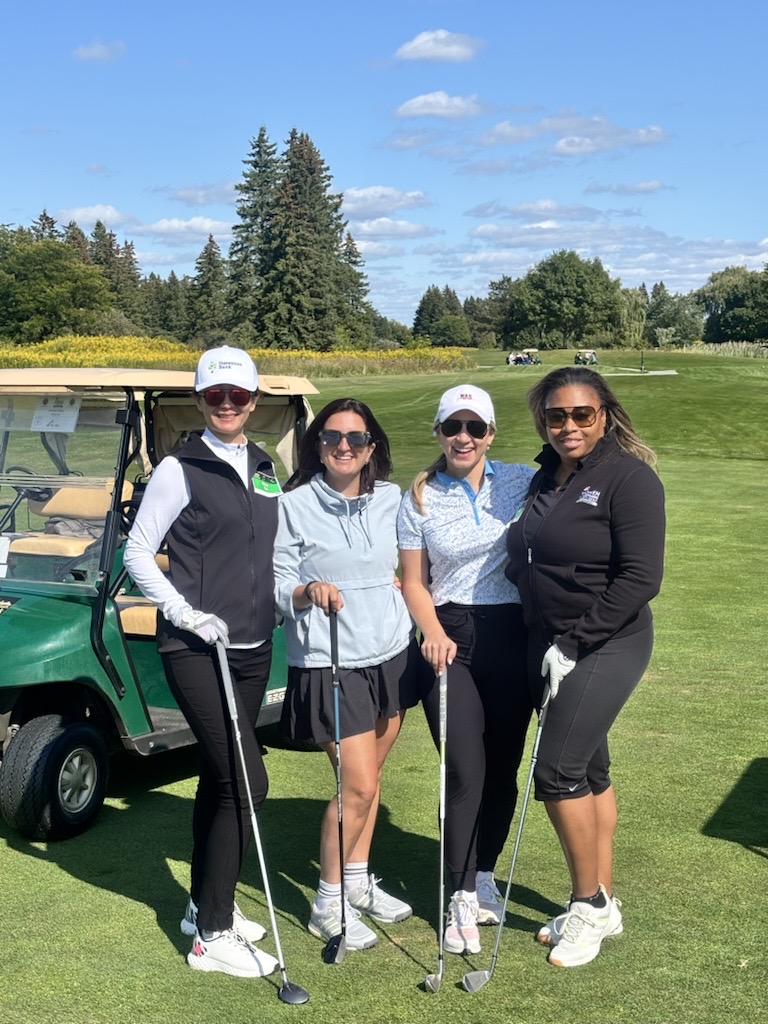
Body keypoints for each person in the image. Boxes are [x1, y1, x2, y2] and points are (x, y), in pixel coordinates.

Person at [124, 346, 280, 979]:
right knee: (247, 782)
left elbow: (270, 545)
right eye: (214, 395)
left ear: (252, 400)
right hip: (195, 648)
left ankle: (200, 904)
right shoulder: (178, 467)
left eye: (237, 396)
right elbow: (138, 552)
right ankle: (211, 935)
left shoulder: (264, 465)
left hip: (251, 649)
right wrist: (184, 613)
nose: (226, 405)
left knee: (221, 778)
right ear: (200, 399)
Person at [505, 366, 665, 968]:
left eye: (581, 415)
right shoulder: (544, 477)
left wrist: (575, 643)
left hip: (607, 642)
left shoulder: (630, 477)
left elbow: (641, 578)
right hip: (545, 638)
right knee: (591, 767)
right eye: (555, 416)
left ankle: (588, 904)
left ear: (604, 416)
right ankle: (604, 902)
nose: (568, 426)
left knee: (558, 771)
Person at [273, 397, 420, 951]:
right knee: (354, 783)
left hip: (390, 655)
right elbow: (274, 582)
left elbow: (410, 562)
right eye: (332, 436)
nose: (343, 446)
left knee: (370, 781)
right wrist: (305, 591)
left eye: (356, 439)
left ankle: (357, 882)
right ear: (316, 444)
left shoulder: (392, 498)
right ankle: (327, 902)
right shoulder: (293, 504)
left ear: (371, 448)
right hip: (329, 661)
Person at [397, 384, 536, 956]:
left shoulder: (523, 481)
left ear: (490, 435)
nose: (463, 437)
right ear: (439, 433)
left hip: (513, 634)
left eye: (474, 428)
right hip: (447, 639)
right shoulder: (422, 495)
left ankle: (483, 875)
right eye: (453, 427)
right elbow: (413, 580)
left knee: (503, 766)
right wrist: (431, 632)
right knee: (463, 767)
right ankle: (457, 896)